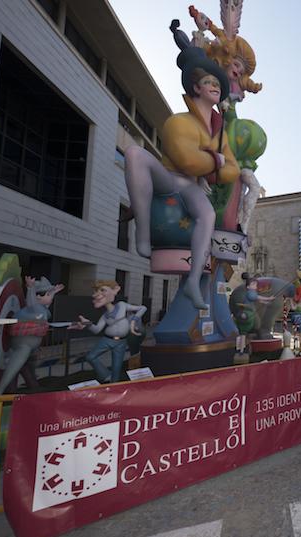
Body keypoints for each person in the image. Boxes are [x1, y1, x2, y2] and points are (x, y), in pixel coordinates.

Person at [124, 46, 240, 310]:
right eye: (209, 82)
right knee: (133, 153)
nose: (215, 87)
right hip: (168, 178)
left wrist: (212, 163)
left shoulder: (219, 133)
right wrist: (215, 161)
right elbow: (186, 159)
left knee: (207, 214)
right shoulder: (178, 122)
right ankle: (142, 231)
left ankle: (193, 280)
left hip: (191, 186)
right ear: (196, 87)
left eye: (218, 84)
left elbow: (232, 170)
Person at [0, 276, 64, 395]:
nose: (51, 298)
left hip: (31, 347)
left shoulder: (42, 309)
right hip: (23, 345)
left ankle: (31, 387)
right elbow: (31, 303)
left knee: (26, 366)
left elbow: (44, 304)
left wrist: (53, 291)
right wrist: (30, 288)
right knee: (14, 367)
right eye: (48, 295)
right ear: (38, 296)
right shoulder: (34, 308)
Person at [76, 281, 147, 384]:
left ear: (115, 290)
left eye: (103, 290)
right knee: (90, 357)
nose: (98, 294)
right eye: (96, 291)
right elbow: (97, 329)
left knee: (116, 367)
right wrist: (88, 324)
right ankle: (105, 375)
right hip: (107, 340)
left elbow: (143, 308)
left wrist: (133, 321)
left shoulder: (122, 305)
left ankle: (114, 384)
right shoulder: (105, 316)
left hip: (121, 342)